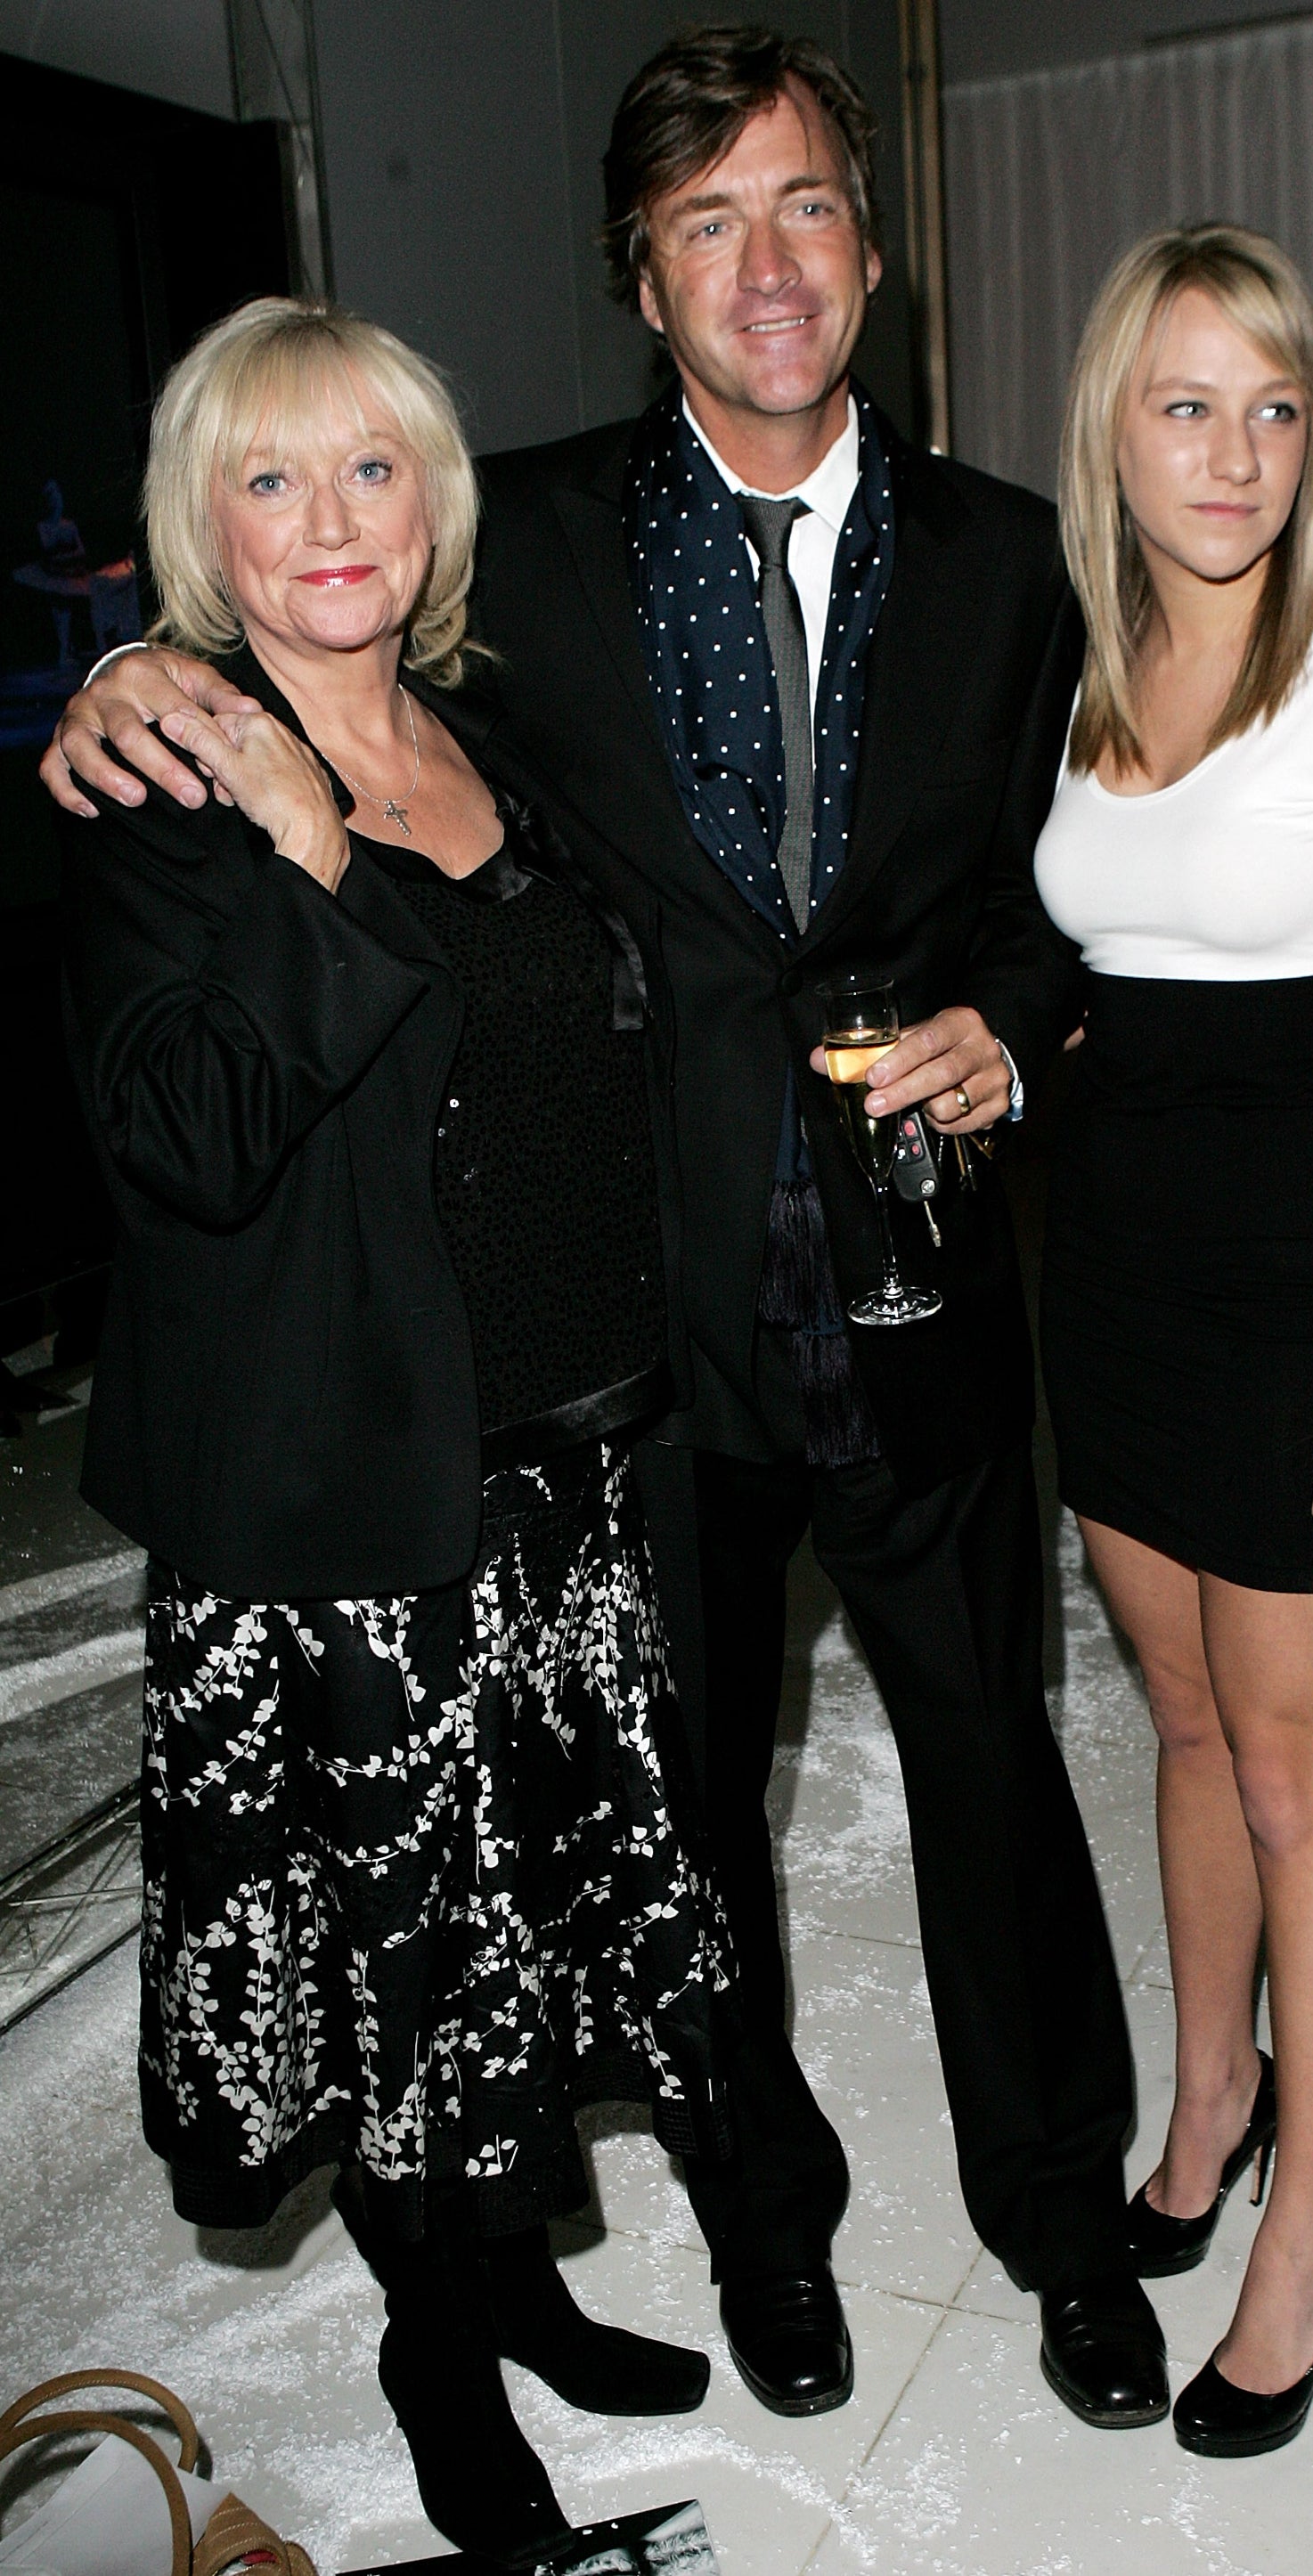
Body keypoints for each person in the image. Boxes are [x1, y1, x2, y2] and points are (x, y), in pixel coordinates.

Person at [43, 29, 1165, 2433]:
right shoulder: (509, 545)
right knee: (681, 1803)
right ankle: (774, 2228)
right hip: (639, 1331)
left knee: (992, 1768)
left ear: (872, 250)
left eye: (811, 212)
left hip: (919, 1279)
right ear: (637, 274)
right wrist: (138, 670)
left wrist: (1007, 1004)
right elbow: (300, 635)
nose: (772, 267)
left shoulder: (1004, 556)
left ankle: (1061, 2220)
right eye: (709, 222)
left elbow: (1069, 886)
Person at [56, 296, 733, 2569]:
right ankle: (441, 2366)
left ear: (430, 501)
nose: (328, 518)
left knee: (518, 1938)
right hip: (346, 1510)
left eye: (370, 467)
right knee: (410, 1972)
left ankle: (517, 2292)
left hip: (549, 1468)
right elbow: (190, 1143)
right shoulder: (156, 792)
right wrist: (314, 868)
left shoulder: (489, 740)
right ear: (205, 529)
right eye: (269, 476)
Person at [1033, 224, 1313, 2456]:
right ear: (1113, 428)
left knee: (1311, 1786)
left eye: (1271, 406)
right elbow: (1088, 988)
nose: (1230, 452)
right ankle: (1205, 2104)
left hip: (1308, 1308)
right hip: (1109, 1289)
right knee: (1191, 1735)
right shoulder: (1097, 663)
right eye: (1183, 404)